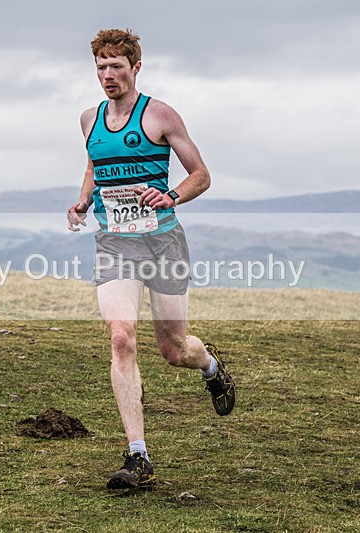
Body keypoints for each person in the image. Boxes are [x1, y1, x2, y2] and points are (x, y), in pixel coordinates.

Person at [67, 28, 235, 489]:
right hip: (115, 243)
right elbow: (94, 164)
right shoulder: (89, 119)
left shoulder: (160, 115)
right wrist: (83, 201)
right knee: (121, 338)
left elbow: (201, 174)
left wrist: (171, 196)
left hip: (162, 243)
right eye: (101, 66)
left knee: (174, 349)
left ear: (135, 68)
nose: (108, 74)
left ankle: (210, 366)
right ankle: (137, 455)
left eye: (116, 66)